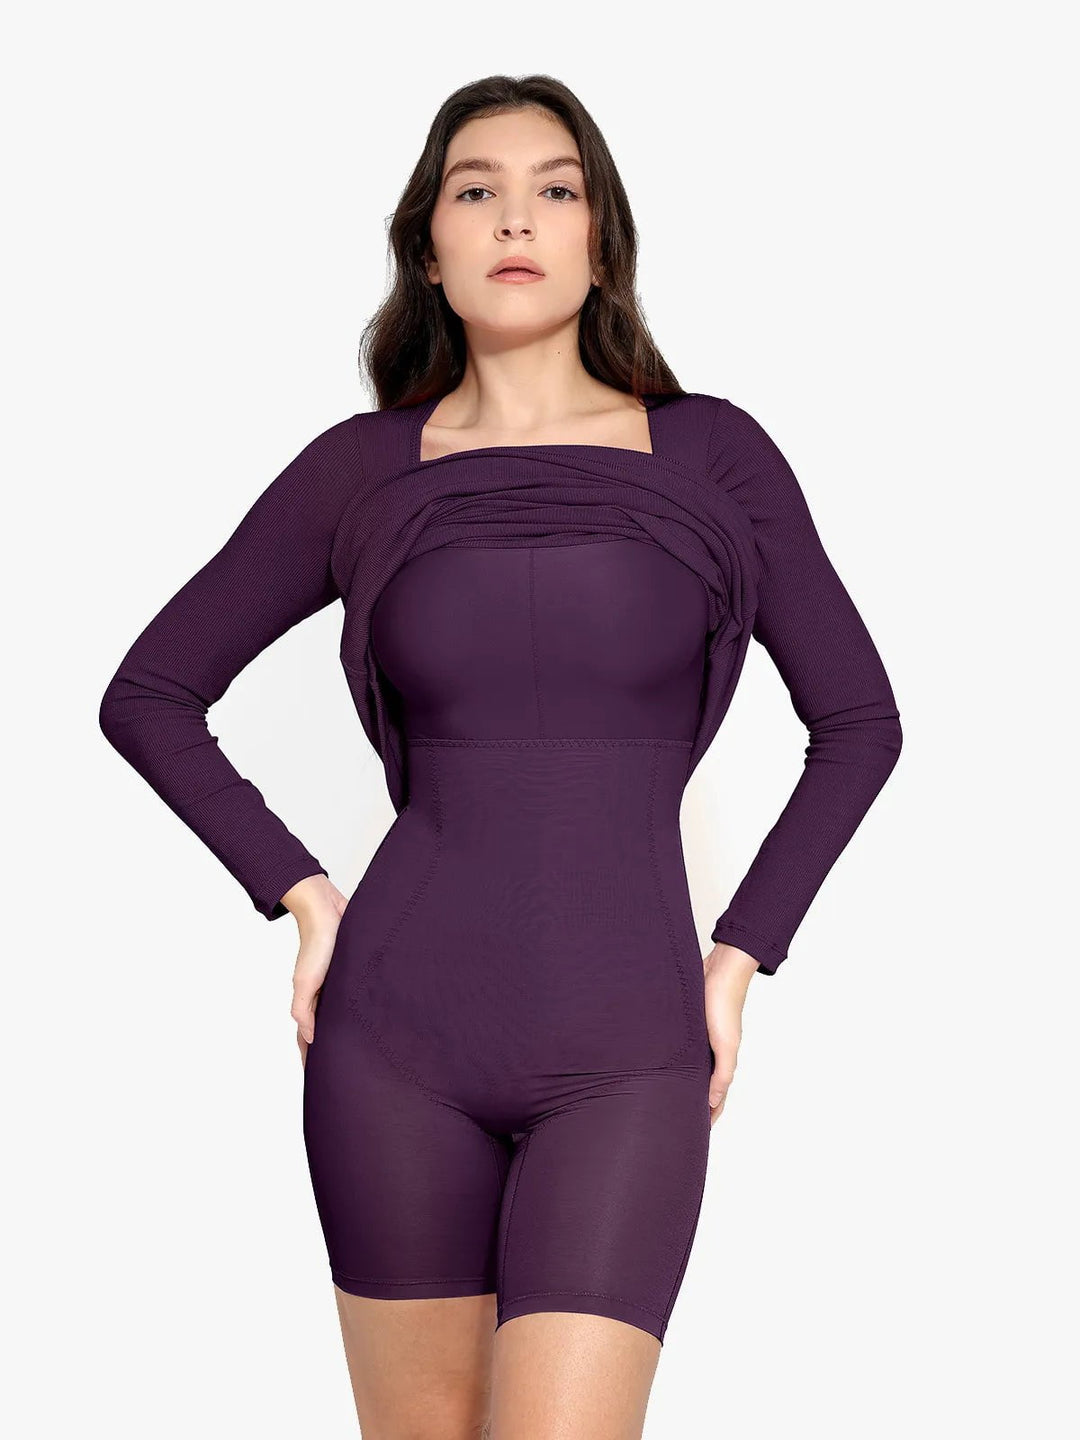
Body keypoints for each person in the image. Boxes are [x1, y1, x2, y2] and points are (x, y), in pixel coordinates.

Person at [98, 75, 902, 1440]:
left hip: (628, 1044)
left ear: (601, 240)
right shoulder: (363, 468)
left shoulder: (713, 453)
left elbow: (860, 725)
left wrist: (739, 956)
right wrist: (304, 897)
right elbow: (152, 694)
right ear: (430, 247)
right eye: (477, 190)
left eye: (555, 189)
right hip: (392, 1043)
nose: (515, 219)